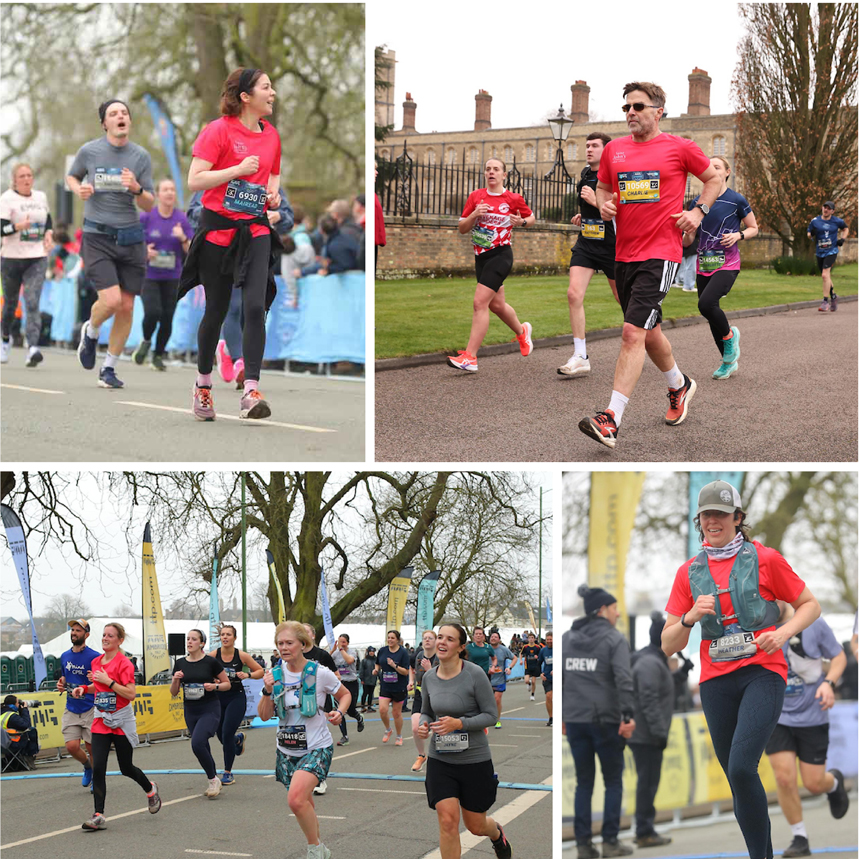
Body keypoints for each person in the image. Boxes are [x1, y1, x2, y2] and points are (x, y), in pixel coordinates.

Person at [662, 479, 821, 859]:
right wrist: (688, 618)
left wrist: (782, 633)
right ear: (698, 521)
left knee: (740, 768)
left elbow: (810, 605)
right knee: (738, 779)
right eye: (706, 516)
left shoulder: (766, 559)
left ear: (737, 518)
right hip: (716, 682)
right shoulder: (688, 572)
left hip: (763, 673)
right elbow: (667, 644)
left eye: (720, 514)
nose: (713, 521)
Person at [579, 81, 721, 449]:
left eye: (638, 107)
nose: (630, 113)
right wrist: (606, 204)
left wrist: (698, 210)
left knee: (631, 333)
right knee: (648, 330)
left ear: (658, 111)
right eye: (626, 107)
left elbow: (714, 179)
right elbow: (607, 190)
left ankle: (611, 419)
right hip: (624, 253)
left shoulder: (679, 148)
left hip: (662, 252)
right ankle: (680, 385)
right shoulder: (615, 151)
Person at [180, 67, 282, 421]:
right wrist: (235, 170)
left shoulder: (272, 137)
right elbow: (195, 180)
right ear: (245, 96)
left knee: (255, 308)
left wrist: (273, 198)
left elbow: (274, 181)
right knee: (217, 311)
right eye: (266, 87)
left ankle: (251, 390)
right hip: (218, 232)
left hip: (254, 232)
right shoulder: (217, 130)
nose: (272, 93)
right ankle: (203, 384)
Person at [68, 99, 155, 389]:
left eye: (124, 113)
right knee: (113, 300)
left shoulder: (141, 156)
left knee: (127, 306)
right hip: (97, 236)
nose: (121, 117)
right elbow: (72, 175)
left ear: (129, 121)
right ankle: (91, 331)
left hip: (131, 237)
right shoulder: (90, 151)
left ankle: (108, 368)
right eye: (114, 114)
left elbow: (149, 203)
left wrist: (136, 189)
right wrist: (78, 188)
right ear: (105, 123)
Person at [416, 622, 512, 859]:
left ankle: (497, 834)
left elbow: (491, 715)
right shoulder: (429, 677)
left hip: (474, 760)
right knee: (447, 820)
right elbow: (427, 711)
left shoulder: (474, 674)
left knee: (476, 826)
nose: (442, 642)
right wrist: (423, 724)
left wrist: (459, 724)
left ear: (460, 646)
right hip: (441, 758)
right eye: (440, 637)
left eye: (449, 639)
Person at [258, 621, 351, 859]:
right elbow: (264, 715)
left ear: (302, 644)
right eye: (280, 644)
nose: (284, 647)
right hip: (287, 749)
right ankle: (320, 846)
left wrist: (339, 712)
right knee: (305, 801)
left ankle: (314, 850)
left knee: (296, 800)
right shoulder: (275, 675)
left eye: (289, 642)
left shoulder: (319, 673)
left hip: (317, 747)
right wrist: (268, 691)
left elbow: (345, 694)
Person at [764, 602, 849, 857]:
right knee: (784, 777)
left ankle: (833, 783)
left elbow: (839, 656)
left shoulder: (813, 622)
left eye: (773, 597)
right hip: (776, 716)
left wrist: (829, 683)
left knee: (813, 783)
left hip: (813, 715)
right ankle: (800, 837)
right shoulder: (758, 625)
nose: (768, 602)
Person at [563, 585, 635, 858]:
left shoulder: (568, 638)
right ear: (603, 610)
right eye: (615, 608)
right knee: (613, 782)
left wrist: (563, 715)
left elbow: (562, 679)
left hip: (576, 720)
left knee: (584, 782)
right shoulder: (614, 639)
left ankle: (583, 845)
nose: (618, 613)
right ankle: (610, 842)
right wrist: (627, 716)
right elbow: (623, 679)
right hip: (605, 719)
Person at [447, 158, 535, 372]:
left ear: (504, 175)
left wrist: (521, 222)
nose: (491, 172)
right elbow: (462, 227)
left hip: (501, 255)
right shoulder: (476, 197)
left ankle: (470, 357)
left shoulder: (513, 198)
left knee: (480, 303)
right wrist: (475, 214)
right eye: (488, 169)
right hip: (481, 257)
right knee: (496, 305)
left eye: (496, 169)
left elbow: (531, 218)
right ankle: (522, 332)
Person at [71, 622, 161, 830]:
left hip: (121, 720)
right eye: (104, 635)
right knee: (99, 767)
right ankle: (98, 815)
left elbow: (130, 694)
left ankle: (150, 789)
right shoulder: (96, 662)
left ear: (119, 640)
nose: (105, 638)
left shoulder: (125, 664)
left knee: (126, 768)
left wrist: (109, 681)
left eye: (110, 636)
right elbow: (98, 686)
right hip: (101, 719)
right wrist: (84, 689)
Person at [681, 156, 758, 380]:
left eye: (716, 167)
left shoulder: (736, 200)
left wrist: (739, 234)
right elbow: (688, 241)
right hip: (704, 263)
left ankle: (730, 336)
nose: (712, 170)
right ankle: (728, 361)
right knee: (708, 311)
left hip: (728, 263)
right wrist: (686, 232)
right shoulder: (696, 203)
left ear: (726, 172)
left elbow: (754, 227)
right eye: (708, 167)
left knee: (706, 303)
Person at [559, 132, 619, 377]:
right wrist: (583, 215)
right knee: (573, 293)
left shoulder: (614, 177)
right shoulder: (584, 175)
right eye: (587, 145)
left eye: (595, 145)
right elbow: (589, 208)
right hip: (586, 244)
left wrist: (596, 202)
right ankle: (580, 355)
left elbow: (622, 214)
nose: (589, 149)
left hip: (611, 246)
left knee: (623, 299)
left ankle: (647, 335)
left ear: (607, 150)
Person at [133, 178, 193, 371]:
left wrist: (182, 237)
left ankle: (158, 355)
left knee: (167, 317)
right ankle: (146, 340)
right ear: (158, 195)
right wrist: (145, 251)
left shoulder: (181, 219)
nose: (170, 193)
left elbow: (191, 248)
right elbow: (133, 242)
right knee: (153, 312)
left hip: (173, 275)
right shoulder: (147, 216)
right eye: (165, 190)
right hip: (149, 274)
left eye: (173, 190)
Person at [0, 163, 54, 367]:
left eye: (29, 175)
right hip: (11, 258)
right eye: (22, 176)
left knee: (32, 301)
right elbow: (0, 228)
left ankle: (33, 348)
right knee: (11, 304)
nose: (26, 179)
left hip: (37, 256)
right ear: (14, 180)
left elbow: (47, 220)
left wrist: (49, 234)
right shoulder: (6, 199)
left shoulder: (40, 197)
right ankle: (5, 338)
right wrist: (17, 227)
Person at [628, 612, 673, 847]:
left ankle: (645, 829)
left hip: (645, 733)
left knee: (647, 783)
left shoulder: (650, 659)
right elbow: (647, 699)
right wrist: (659, 732)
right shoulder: (649, 662)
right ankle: (644, 831)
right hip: (646, 735)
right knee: (647, 784)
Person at [170, 629, 231, 798]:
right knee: (202, 745)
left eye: (193, 639)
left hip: (209, 708)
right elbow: (174, 692)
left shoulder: (211, 662)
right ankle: (213, 778)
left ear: (202, 643)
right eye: (188, 639)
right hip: (190, 710)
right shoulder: (180, 663)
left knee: (197, 743)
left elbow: (227, 684)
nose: (189, 642)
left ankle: (213, 779)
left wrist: (214, 687)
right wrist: (175, 679)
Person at [209, 624, 264, 786]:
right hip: (218, 697)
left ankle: (227, 771)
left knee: (226, 733)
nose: (225, 637)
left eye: (228, 635)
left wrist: (247, 674)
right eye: (223, 634)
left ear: (234, 638)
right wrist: (213, 679)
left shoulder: (241, 656)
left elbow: (260, 671)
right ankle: (237, 740)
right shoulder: (213, 656)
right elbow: (204, 672)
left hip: (236, 697)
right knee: (220, 734)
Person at [56, 619, 101, 788]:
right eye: (72, 630)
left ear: (86, 635)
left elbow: (100, 682)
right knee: (72, 746)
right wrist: (61, 684)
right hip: (72, 707)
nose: (74, 633)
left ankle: (96, 780)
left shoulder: (95, 657)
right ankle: (87, 767)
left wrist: (93, 680)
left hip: (90, 707)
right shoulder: (65, 656)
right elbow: (64, 678)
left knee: (92, 747)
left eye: (78, 630)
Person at [301, 623, 338, 797]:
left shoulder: (321, 655)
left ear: (313, 635)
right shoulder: (293, 655)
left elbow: (336, 677)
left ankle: (319, 777)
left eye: (306, 631)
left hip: (319, 703)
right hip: (298, 705)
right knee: (304, 741)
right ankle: (307, 775)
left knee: (315, 740)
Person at [807, 201, 849, 312]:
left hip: (832, 251)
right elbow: (808, 233)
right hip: (820, 252)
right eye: (824, 207)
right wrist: (812, 235)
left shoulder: (837, 221)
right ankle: (834, 296)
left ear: (832, 211)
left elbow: (846, 228)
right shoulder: (815, 221)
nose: (826, 210)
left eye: (828, 208)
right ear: (822, 208)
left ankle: (825, 301)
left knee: (825, 275)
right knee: (827, 277)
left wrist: (842, 239)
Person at [409, 629, 440, 772]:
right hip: (420, 694)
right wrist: (410, 681)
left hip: (438, 695)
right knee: (416, 727)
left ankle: (440, 759)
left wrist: (429, 670)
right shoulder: (419, 655)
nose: (427, 640)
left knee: (439, 729)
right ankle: (421, 755)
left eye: (430, 638)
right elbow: (412, 668)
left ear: (435, 641)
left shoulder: (440, 657)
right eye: (425, 638)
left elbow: (441, 679)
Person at [373, 629, 411, 745]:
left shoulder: (403, 653)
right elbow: (378, 662)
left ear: (398, 640)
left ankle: (399, 736)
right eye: (388, 637)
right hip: (385, 685)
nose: (390, 640)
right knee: (383, 710)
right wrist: (376, 670)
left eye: (392, 638)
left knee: (396, 713)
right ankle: (388, 729)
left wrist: (394, 666)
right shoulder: (383, 651)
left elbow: (405, 672)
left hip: (399, 687)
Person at [329, 633, 365, 746]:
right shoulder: (336, 653)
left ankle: (359, 718)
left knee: (350, 710)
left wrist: (341, 650)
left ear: (348, 643)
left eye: (344, 642)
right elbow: (326, 660)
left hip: (351, 683)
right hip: (340, 684)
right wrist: (333, 650)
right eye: (340, 641)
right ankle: (345, 736)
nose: (342, 644)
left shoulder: (352, 651)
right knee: (341, 711)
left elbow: (349, 661)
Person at [488, 630, 518, 729]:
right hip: (486, 678)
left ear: (499, 639)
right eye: (492, 637)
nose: (493, 638)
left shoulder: (503, 650)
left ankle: (497, 720)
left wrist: (509, 668)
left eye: (495, 637)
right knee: (486, 701)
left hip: (499, 679)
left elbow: (515, 658)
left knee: (497, 699)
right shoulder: (486, 649)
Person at [0, 696, 40, 769]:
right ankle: (29, 756)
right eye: (18, 703)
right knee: (31, 731)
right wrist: (24, 710)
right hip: (12, 744)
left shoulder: (2, 714)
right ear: (13, 705)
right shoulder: (11, 716)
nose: (19, 705)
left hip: (2, 745)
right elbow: (25, 725)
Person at [520, 631, 543, 700]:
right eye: (529, 638)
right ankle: (528, 684)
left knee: (533, 681)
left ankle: (532, 695)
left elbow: (541, 655)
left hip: (535, 666)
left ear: (534, 639)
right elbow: (521, 654)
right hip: (528, 665)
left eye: (532, 638)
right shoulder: (525, 647)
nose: (531, 639)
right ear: (528, 639)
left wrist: (537, 657)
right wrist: (521, 660)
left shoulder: (537, 647)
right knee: (526, 680)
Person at [539, 630, 553, 727]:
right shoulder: (543, 650)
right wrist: (540, 673)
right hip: (547, 677)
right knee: (548, 696)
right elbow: (538, 663)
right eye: (547, 639)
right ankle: (551, 718)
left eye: (551, 639)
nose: (549, 641)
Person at [358, 646, 377, 712]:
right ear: (368, 652)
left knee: (371, 694)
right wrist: (362, 679)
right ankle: (362, 706)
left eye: (373, 652)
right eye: (370, 651)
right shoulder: (364, 661)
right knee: (365, 693)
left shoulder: (376, 660)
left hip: (373, 679)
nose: (372, 653)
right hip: (366, 680)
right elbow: (361, 670)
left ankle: (369, 706)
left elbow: (378, 670)